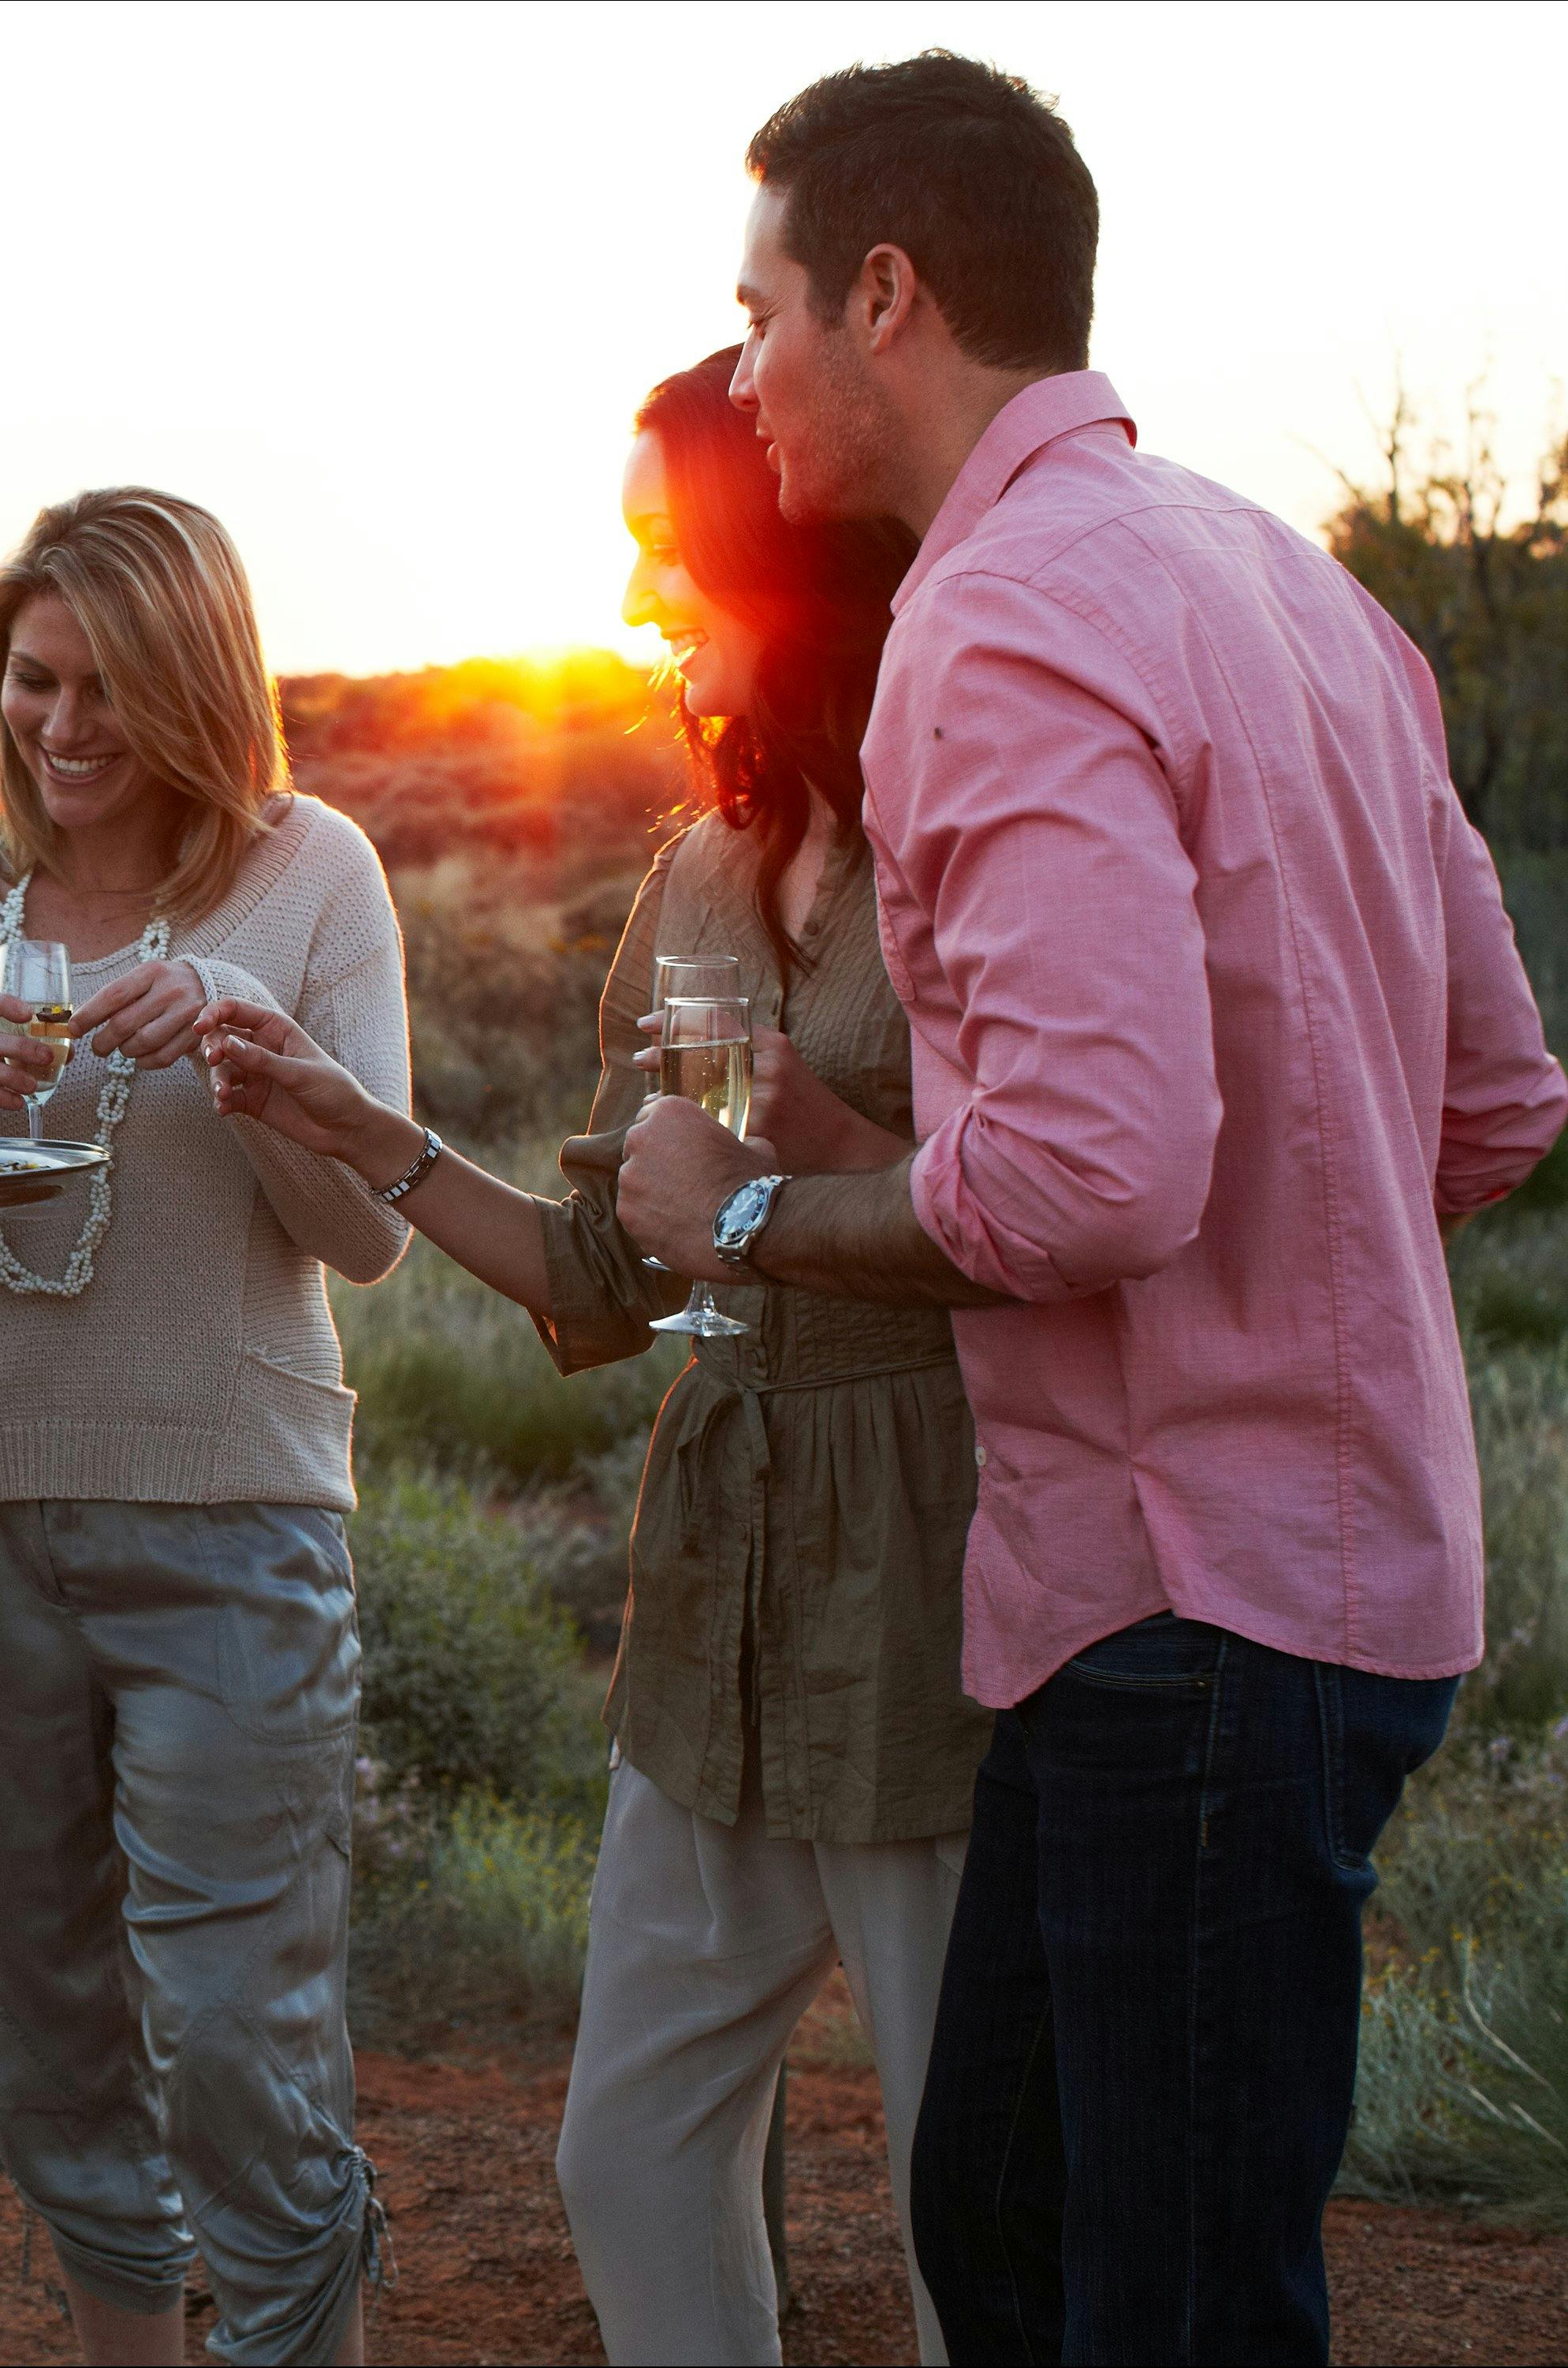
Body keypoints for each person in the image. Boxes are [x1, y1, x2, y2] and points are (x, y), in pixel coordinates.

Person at [607, 55, 1568, 2362]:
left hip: (1188, 1606)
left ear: (884, 291)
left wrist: (744, 1220)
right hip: (1267, 1577)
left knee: (1157, 2296)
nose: (741, 372)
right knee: (1011, 2217)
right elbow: (1498, 1094)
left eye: (757, 315)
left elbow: (1085, 1171)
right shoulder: (1292, 587)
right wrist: (1290, 1314)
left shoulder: (1001, 611)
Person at [201, 345, 979, 2365]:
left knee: (966, 2190)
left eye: (668, 553)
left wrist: (817, 1154)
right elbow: (597, 1268)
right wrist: (358, 1130)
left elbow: (1074, 1205)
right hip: (717, 1566)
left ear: (788, 542)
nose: (640, 603)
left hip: (943, 1561)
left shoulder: (973, 832)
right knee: (628, 2152)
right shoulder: (705, 869)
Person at [0, 488, 411, 2368]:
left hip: (235, 1515)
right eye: (32, 678)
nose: (65, 726)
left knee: (236, 2022)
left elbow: (369, 1237)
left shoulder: (315, 880)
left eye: (111, 685)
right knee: (52, 2015)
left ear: (202, 683)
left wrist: (243, 1041)